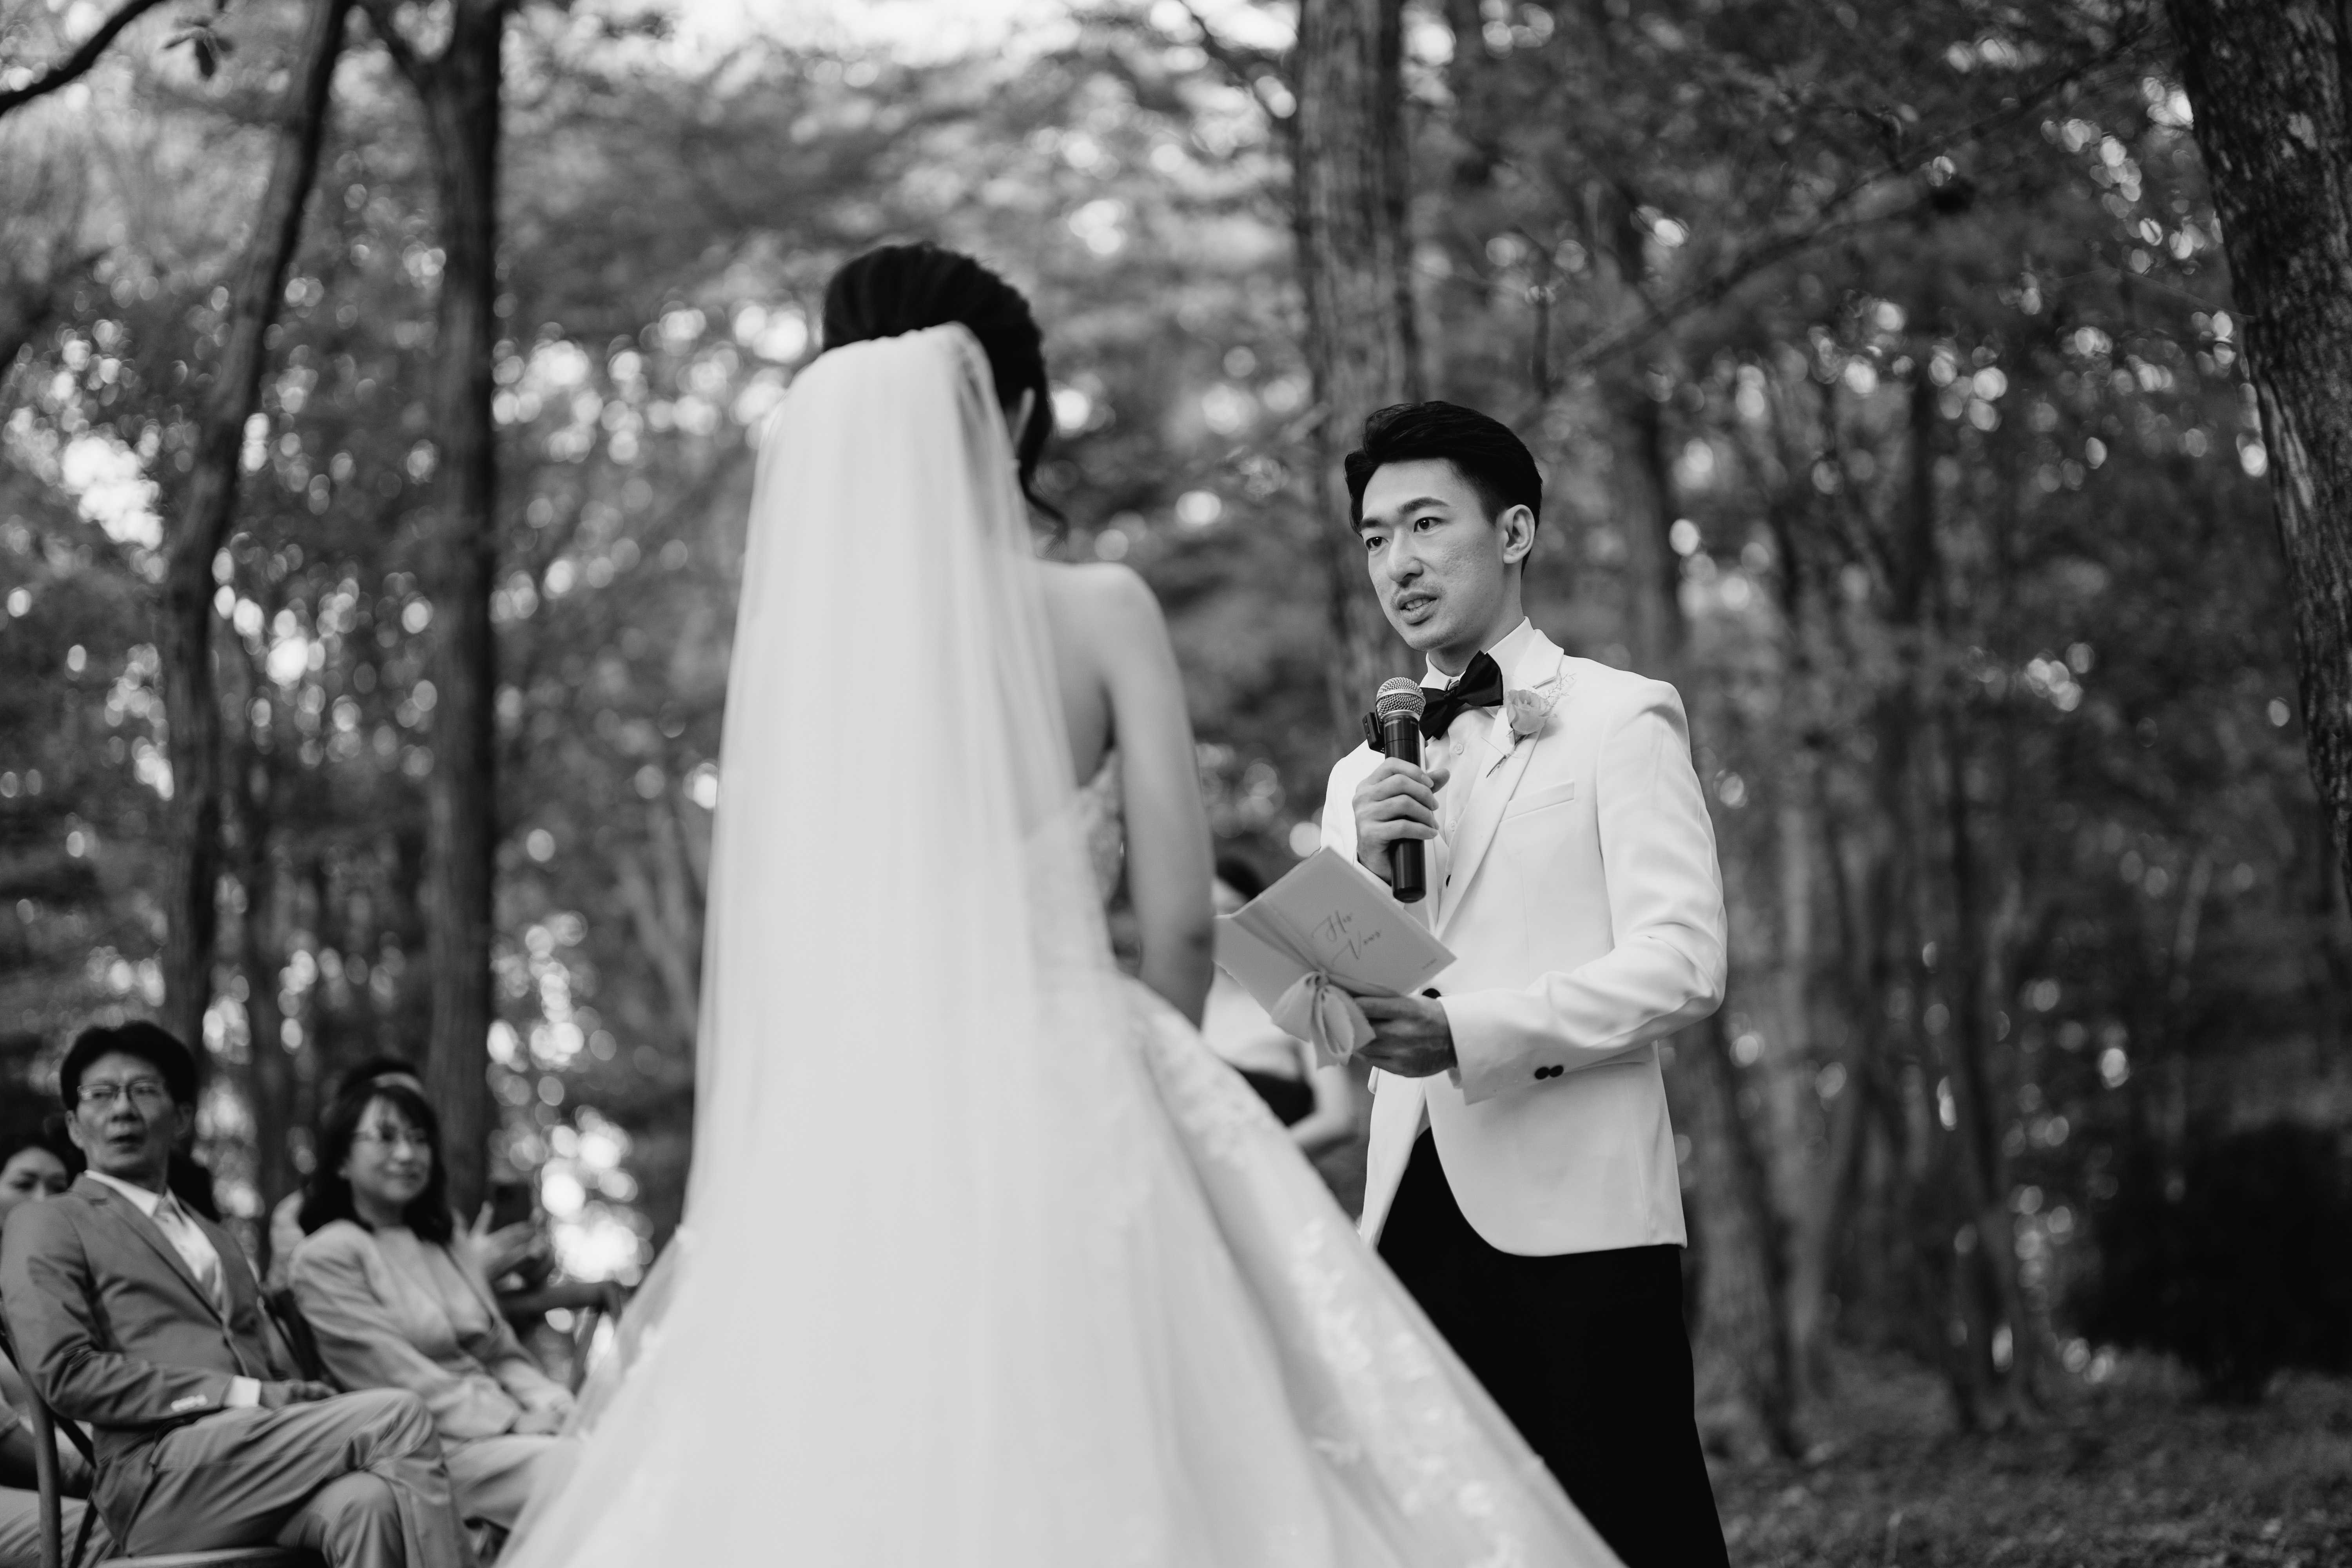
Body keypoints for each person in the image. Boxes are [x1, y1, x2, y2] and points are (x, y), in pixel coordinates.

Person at [498, 244, 1621, 1566]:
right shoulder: (1097, 611)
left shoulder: (807, 670)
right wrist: (1134, 1090)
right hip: (1075, 1071)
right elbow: (1184, 921)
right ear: (1017, 407)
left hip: (860, 1121)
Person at [1320, 400, 1731, 1566]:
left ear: (1512, 532)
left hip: (1578, 1207)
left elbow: (1683, 962)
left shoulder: (1620, 716)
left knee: (1631, 1530)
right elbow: (1330, 1016)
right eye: (1374, 537)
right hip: (1406, 1212)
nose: (1397, 563)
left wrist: (1469, 1033)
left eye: (1424, 524)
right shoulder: (1356, 774)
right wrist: (1364, 873)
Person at [0, 1022, 472, 1568]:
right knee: (397, 1415)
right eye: (101, 1094)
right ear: (75, 1126)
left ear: (181, 1118)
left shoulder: (217, 1238)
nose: (123, 1109)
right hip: (155, 1480)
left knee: (366, 1504)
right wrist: (239, 1394)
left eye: (144, 1090)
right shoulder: (50, 1221)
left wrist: (285, 1393)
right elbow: (64, 1373)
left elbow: (254, 1365)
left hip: (249, 1465)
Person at [289, 1079, 576, 1534]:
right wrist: (512, 1422)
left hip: (507, 1431)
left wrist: (558, 1405)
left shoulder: (447, 1240)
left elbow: (501, 1353)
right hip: (427, 1452)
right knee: (579, 1470)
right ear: (342, 1159)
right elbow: (393, 1376)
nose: (407, 1154)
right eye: (386, 1138)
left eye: (419, 1139)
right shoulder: (327, 1257)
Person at [0, 1130, 114, 1568]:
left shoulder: (82, 1288)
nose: (42, 1200)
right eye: (23, 1184)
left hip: (85, 1465)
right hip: (53, 1476)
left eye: (58, 1187)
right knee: (135, 1531)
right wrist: (110, 1472)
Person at [1203, 856, 1365, 1159]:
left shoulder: (1302, 998)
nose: (1221, 923)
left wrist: (1253, 1163)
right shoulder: (1176, 1008)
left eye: (1232, 909)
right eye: (1208, 912)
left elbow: (1338, 1119)